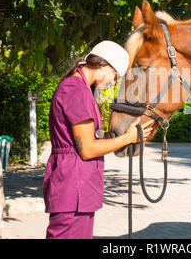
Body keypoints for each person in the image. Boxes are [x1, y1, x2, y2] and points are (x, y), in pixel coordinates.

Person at [43, 40, 154, 239]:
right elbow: (87, 149)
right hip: (73, 186)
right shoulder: (76, 90)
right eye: (114, 75)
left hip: (77, 187)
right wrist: (128, 138)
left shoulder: (80, 88)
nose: (113, 81)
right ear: (104, 65)